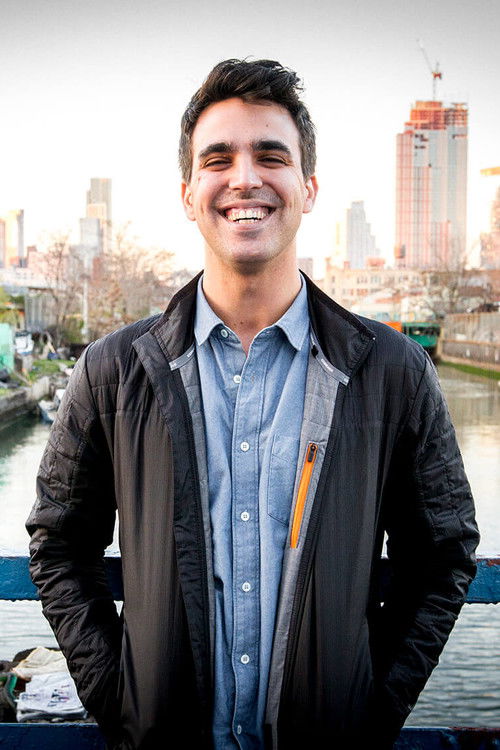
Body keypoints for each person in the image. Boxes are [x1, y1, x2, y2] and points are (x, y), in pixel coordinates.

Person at [27, 59, 479, 750]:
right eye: (218, 159)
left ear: (308, 188)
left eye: (271, 156)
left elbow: (442, 554)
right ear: (188, 194)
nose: (244, 178)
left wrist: (368, 709)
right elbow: (59, 542)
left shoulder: (393, 373)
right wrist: (120, 700)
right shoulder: (112, 371)